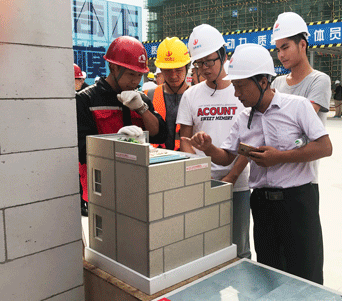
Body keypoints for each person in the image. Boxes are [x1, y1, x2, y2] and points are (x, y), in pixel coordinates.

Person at [182, 43, 332, 284]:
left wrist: (280, 157)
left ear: (263, 82)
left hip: (298, 202)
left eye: (240, 86)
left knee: (305, 272)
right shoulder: (243, 119)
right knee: (268, 273)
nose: (236, 94)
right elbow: (227, 157)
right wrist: (208, 147)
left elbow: (325, 147)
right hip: (262, 205)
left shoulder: (297, 107)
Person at [177, 24, 251, 259]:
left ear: (224, 56)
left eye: (209, 61)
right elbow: (184, 139)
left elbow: (250, 141)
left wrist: (232, 176)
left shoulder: (241, 92)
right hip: (202, 183)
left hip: (238, 184)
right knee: (204, 249)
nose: (204, 69)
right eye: (199, 64)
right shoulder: (191, 95)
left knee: (239, 249)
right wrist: (196, 172)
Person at [76, 36, 168, 216]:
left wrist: (142, 109)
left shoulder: (140, 99)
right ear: (114, 67)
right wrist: (118, 141)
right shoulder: (86, 99)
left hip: (138, 185)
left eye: (139, 75)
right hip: (102, 189)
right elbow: (81, 149)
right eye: (131, 74)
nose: (135, 81)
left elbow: (161, 134)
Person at [270, 11, 332, 193]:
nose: (281, 55)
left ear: (302, 44)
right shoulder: (277, 82)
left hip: (304, 181)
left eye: (285, 47)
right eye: (278, 49)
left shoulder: (319, 80)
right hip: (273, 176)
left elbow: (299, 121)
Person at [144, 37, 190, 150]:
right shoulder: (148, 96)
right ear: (161, 70)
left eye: (178, 70)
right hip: (157, 160)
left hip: (188, 159)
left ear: (186, 68)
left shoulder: (196, 96)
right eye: (168, 70)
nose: (173, 76)